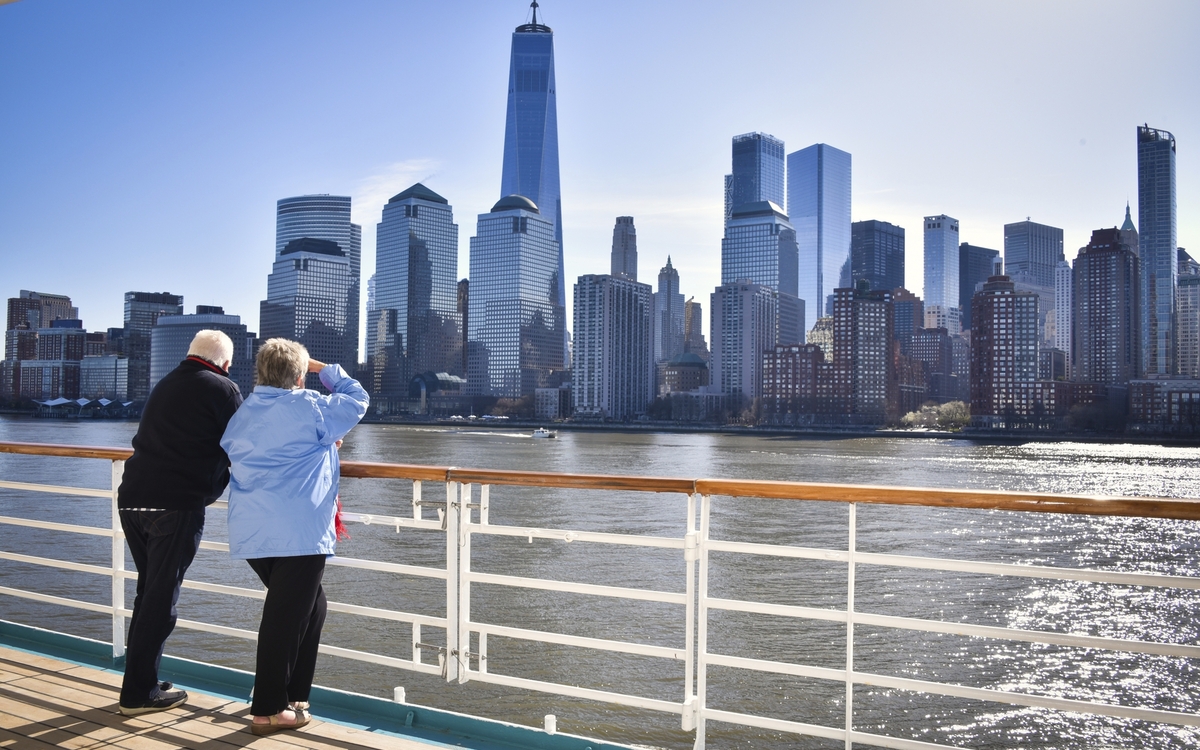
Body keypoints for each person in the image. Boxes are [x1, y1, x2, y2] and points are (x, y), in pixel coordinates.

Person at [220, 339, 368, 735]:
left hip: (254, 531)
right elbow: (357, 399)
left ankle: (295, 695)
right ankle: (267, 711)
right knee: (284, 617)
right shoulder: (312, 408)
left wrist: (324, 448)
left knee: (312, 607)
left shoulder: (244, 412)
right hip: (298, 532)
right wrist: (327, 370)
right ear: (300, 376)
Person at [116, 330, 243, 715]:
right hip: (175, 505)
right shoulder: (223, 388)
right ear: (224, 363)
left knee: (148, 595)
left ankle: (142, 682)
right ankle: (138, 695)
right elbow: (248, 442)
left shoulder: (165, 384)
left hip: (133, 499)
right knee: (161, 601)